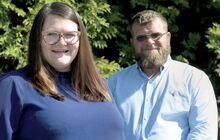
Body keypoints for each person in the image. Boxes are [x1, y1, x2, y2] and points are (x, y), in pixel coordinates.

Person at [0, 2, 124, 140]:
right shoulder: (13, 86)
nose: (62, 42)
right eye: (52, 34)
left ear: (80, 39)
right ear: (38, 39)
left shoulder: (98, 84)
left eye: (70, 34)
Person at [107, 10, 218, 140]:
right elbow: (103, 129)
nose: (149, 42)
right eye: (141, 37)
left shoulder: (194, 80)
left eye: (156, 35)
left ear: (168, 38)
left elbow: (204, 133)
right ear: (133, 42)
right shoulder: (114, 83)